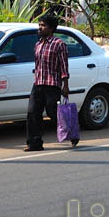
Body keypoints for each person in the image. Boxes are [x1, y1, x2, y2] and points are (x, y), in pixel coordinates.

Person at [25, 13, 70, 152]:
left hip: (52, 84)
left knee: (52, 113)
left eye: (43, 25)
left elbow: (63, 65)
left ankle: (70, 132)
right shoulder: (38, 44)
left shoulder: (59, 44)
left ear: (51, 28)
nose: (40, 28)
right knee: (32, 112)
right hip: (38, 83)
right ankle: (34, 143)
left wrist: (65, 85)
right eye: (39, 25)